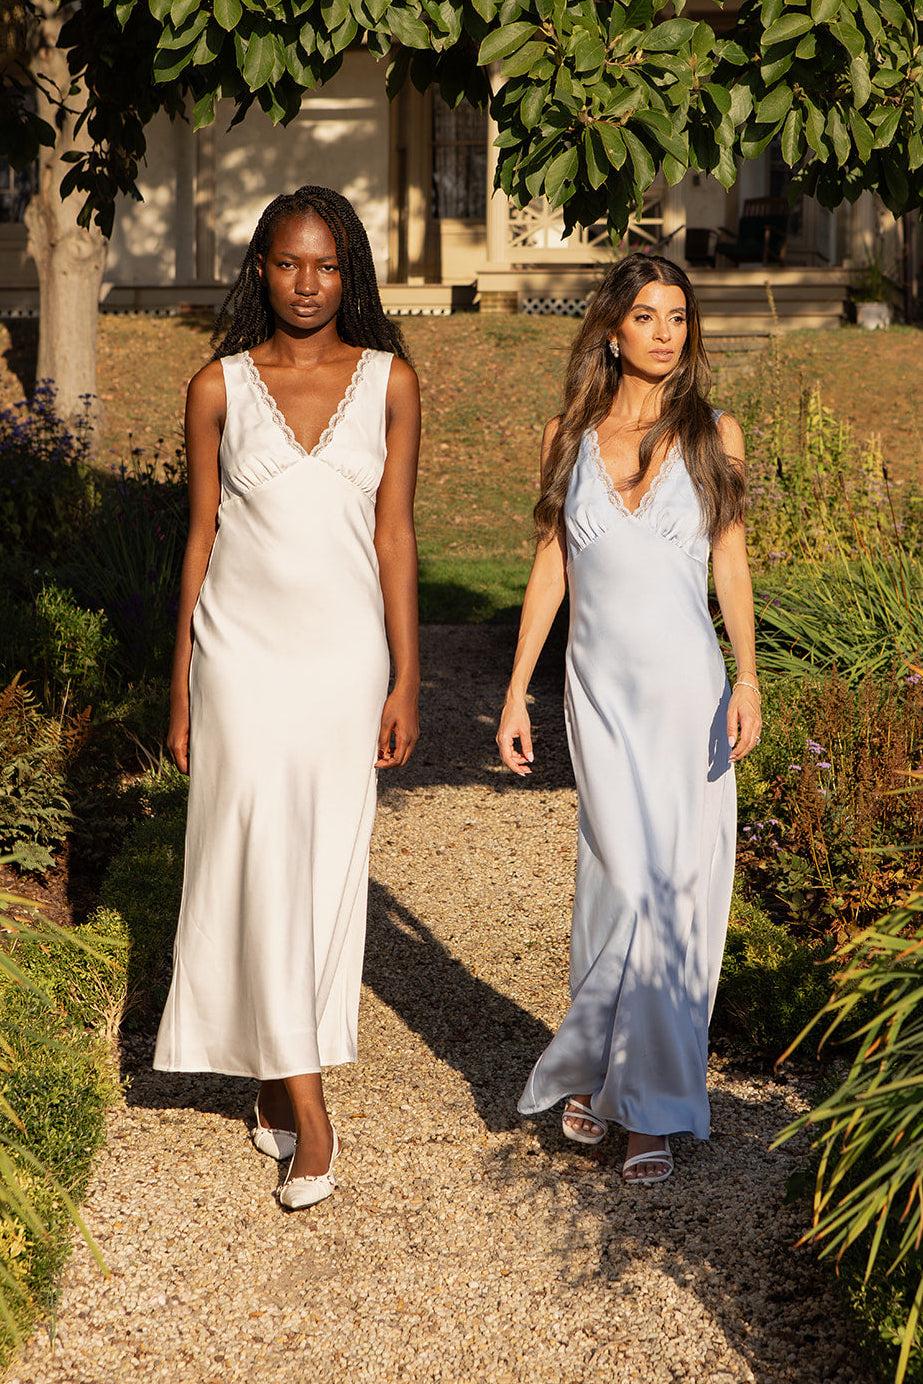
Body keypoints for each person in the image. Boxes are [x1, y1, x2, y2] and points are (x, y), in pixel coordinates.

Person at [155, 186, 420, 1211]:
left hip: (343, 662)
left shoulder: (390, 381)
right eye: (285, 264)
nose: (305, 284)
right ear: (258, 269)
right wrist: (179, 686)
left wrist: (407, 672)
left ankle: (276, 1063)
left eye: (323, 265)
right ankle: (310, 1109)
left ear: (346, 269)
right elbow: (199, 539)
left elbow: (395, 537)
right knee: (252, 855)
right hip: (240, 659)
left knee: (321, 868)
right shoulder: (216, 385)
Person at [497, 253, 761, 1185]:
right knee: (616, 883)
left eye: (677, 317)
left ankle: (641, 1103)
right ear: (611, 328)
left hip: (687, 693)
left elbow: (729, 565)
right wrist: (515, 689)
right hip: (598, 695)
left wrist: (748, 678)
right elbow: (550, 569)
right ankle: (602, 1070)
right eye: (645, 315)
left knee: (670, 893)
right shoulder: (565, 436)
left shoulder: (711, 434)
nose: (663, 331)